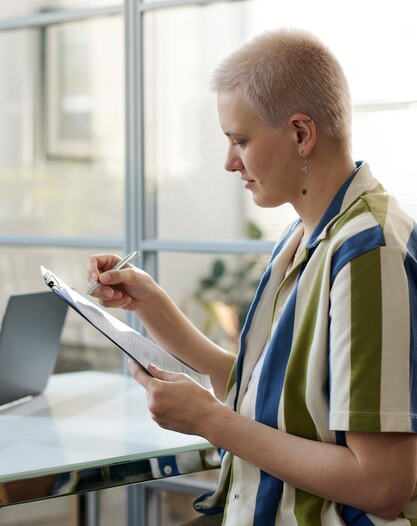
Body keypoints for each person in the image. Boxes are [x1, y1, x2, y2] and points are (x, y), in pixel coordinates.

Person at [87, 28, 417, 526]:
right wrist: (149, 304)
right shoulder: (305, 236)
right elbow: (260, 394)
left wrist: (211, 422)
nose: (228, 162)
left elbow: (382, 486)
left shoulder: (368, 254)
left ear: (301, 134)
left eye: (240, 140)